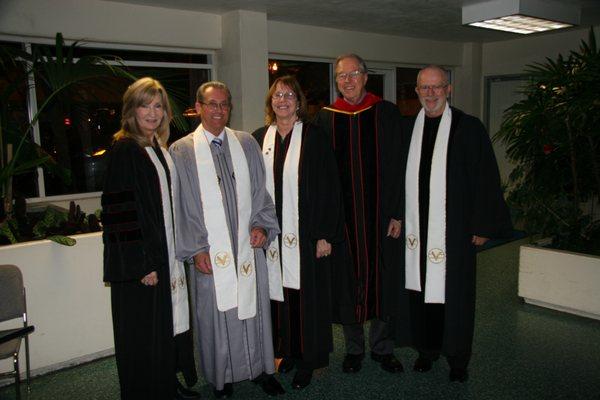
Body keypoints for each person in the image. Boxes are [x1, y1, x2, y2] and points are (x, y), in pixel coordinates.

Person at [169, 81, 285, 399]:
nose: (218, 110)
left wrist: (262, 226)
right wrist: (196, 250)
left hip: (247, 246)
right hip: (210, 251)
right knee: (215, 315)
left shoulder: (246, 143)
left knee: (254, 310)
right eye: (212, 104)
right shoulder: (182, 151)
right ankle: (222, 378)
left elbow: (261, 191)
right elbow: (182, 206)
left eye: (224, 104)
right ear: (199, 107)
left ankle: (262, 370)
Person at [399, 65, 512, 382]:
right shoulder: (410, 128)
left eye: (437, 87)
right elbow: (398, 178)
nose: (430, 93)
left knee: (456, 296)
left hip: (456, 232)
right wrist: (397, 215)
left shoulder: (468, 127)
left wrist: (482, 226)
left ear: (448, 89)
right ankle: (427, 350)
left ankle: (458, 358)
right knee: (422, 293)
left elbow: (486, 178)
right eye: (424, 87)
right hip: (417, 231)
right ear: (417, 91)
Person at [102, 77, 199, 400]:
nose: (153, 112)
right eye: (146, 105)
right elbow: (121, 213)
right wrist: (142, 264)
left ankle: (166, 384)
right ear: (131, 109)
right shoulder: (125, 149)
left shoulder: (156, 146)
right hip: (143, 264)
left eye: (158, 106)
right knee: (144, 332)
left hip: (165, 254)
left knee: (165, 327)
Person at [313, 54, 404, 374]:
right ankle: (354, 349)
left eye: (354, 74)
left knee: (384, 280)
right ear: (335, 81)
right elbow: (318, 176)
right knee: (346, 282)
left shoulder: (386, 113)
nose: (347, 80)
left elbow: (399, 166)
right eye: (341, 76)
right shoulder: (325, 119)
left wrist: (397, 213)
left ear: (367, 77)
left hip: (380, 218)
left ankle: (382, 348)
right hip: (343, 222)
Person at [252, 76, 344, 389]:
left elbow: (330, 188)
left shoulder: (315, 138)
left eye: (289, 94)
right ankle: (286, 351)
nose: (283, 100)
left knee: (307, 299)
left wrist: (325, 235)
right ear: (270, 101)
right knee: (279, 297)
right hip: (271, 238)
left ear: (298, 101)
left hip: (307, 237)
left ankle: (309, 359)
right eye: (277, 95)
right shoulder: (258, 138)